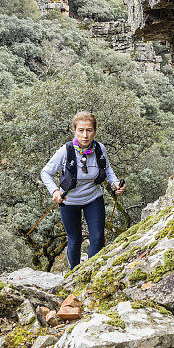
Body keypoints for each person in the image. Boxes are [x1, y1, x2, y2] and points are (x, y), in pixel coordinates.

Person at [40, 111, 125, 270]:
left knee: (98, 237)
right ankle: (74, 273)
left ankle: (91, 273)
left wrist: (115, 183)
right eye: (81, 130)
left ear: (94, 131)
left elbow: (107, 169)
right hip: (69, 201)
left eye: (89, 130)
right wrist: (54, 192)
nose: (85, 135)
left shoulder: (100, 149)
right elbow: (45, 172)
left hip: (93, 198)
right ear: (74, 131)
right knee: (74, 240)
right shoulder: (66, 151)